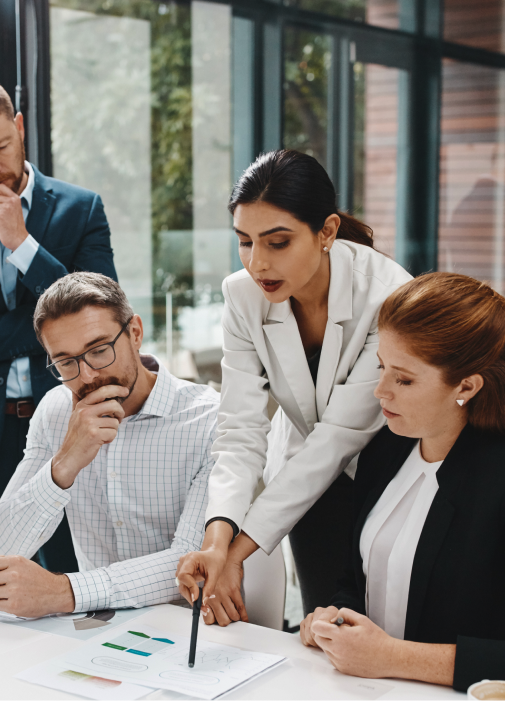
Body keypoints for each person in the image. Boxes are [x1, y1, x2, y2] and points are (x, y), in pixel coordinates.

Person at [299, 273, 505, 700]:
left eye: (404, 379)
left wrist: (392, 657)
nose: (380, 391)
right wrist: (336, 616)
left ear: (467, 386)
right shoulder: (386, 450)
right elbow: (359, 578)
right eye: (381, 367)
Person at [177, 150, 412, 625]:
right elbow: (240, 429)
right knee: (322, 621)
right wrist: (217, 539)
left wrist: (238, 554)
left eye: (277, 242)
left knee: (387, 627)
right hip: (305, 479)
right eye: (244, 242)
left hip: (391, 472)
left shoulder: (387, 293)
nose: (257, 262)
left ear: (326, 231)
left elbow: (339, 436)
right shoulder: (242, 295)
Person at [0, 76, 118, 566]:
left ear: (19, 128)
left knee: (73, 575)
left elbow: (99, 314)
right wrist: (41, 333)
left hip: (66, 425)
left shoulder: (81, 210)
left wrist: (23, 245)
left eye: (0, 146)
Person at [0, 273, 218, 616]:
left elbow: (190, 564)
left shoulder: (209, 420)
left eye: (99, 350)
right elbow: (2, 548)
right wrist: (64, 463)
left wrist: (65, 592)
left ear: (135, 333)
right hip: (97, 630)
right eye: (66, 362)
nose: (87, 375)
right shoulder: (56, 409)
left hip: (189, 625)